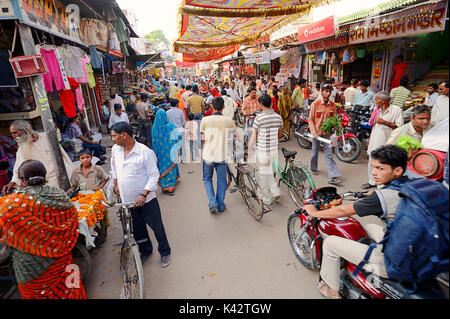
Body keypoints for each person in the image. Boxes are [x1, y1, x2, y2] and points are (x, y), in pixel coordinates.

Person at [303, 145, 409, 299]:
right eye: (373, 167)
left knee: (331, 244)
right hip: (414, 250)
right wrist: (372, 194)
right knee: (371, 226)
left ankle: (332, 292)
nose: (374, 172)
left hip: (392, 261)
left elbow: (342, 211)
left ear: (397, 171)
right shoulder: (411, 183)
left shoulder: (382, 198)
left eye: (380, 169)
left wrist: (315, 212)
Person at [0, 159, 86, 299]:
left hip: (32, 271)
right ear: (45, 176)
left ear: (21, 180)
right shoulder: (61, 196)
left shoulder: (11, 206)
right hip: (63, 262)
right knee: (70, 293)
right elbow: (73, 223)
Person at [110, 122, 171, 266]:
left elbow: (153, 175)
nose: (112, 139)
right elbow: (113, 167)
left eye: (114, 136)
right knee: (138, 230)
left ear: (124, 135)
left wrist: (143, 194)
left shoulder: (145, 152)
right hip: (128, 201)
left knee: (157, 227)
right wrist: (116, 183)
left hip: (147, 200)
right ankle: (146, 251)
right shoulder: (115, 150)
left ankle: (165, 252)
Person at [2, 120, 74, 195]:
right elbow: (19, 166)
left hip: (64, 176)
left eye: (15, 132)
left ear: (25, 130)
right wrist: (13, 182)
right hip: (47, 183)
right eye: (12, 133)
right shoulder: (23, 146)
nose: (13, 136)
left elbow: (62, 157)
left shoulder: (47, 137)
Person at [66, 149, 110, 247]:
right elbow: (74, 186)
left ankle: (104, 235)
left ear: (91, 157)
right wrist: (67, 193)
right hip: (84, 198)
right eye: (82, 158)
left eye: (87, 157)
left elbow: (106, 178)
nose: (85, 160)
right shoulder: (76, 171)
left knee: (102, 216)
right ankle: (98, 233)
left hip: (97, 196)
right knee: (88, 217)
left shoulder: (97, 169)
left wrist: (99, 187)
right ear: (79, 159)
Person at [200, 96, 236, 213]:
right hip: (222, 155)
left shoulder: (205, 120)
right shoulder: (228, 120)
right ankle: (220, 205)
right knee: (221, 180)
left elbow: (202, 138)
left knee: (207, 179)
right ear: (224, 107)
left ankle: (213, 203)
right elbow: (235, 133)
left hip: (208, 155)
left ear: (211, 106)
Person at [362, 91, 404, 189]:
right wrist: (369, 139)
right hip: (375, 140)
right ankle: (372, 182)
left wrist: (384, 122)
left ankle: (381, 186)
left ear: (384, 101)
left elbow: (400, 127)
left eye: (376, 99)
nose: (374, 101)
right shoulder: (377, 109)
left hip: (386, 142)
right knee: (371, 162)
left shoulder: (396, 110)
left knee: (383, 164)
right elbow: (374, 126)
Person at [247, 93, 283, 206]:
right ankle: (274, 190)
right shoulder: (278, 117)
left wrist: (249, 150)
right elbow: (280, 134)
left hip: (262, 150)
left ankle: (268, 197)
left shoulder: (259, 118)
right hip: (274, 150)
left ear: (261, 105)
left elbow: (254, 135)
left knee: (263, 175)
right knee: (269, 172)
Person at [308, 83, 342, 185]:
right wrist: (314, 132)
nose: (328, 93)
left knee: (329, 154)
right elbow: (310, 119)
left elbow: (334, 119)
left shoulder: (333, 105)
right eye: (326, 91)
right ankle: (313, 168)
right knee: (314, 152)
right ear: (322, 92)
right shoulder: (315, 104)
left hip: (327, 133)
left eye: (329, 91)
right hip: (317, 133)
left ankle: (333, 176)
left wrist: (337, 127)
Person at [152, 109, 181, 195]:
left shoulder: (154, 128)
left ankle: (165, 185)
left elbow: (153, 141)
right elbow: (177, 136)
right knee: (171, 166)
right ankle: (171, 185)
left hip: (159, 152)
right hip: (170, 151)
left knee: (162, 167)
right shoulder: (171, 126)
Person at [166, 99, 186, 163]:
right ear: (177, 104)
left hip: (172, 131)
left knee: (173, 145)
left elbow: (167, 123)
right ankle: (182, 159)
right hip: (180, 130)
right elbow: (183, 122)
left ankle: (174, 159)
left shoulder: (167, 112)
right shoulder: (180, 111)